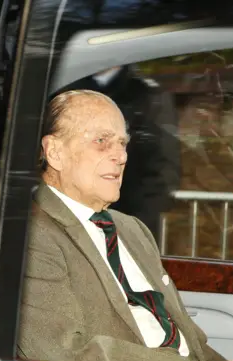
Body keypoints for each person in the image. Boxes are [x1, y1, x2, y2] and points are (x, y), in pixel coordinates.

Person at [18, 89, 233, 361]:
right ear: (54, 152)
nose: (121, 156)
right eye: (101, 141)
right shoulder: (31, 235)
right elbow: (62, 351)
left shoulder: (131, 229)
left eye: (122, 143)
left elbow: (184, 336)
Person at [55, 66, 180, 243]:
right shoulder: (67, 91)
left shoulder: (148, 96)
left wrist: (134, 227)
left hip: (127, 224)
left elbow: (162, 170)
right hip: (71, 224)